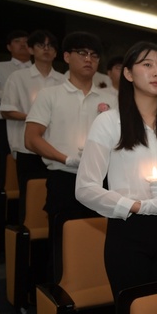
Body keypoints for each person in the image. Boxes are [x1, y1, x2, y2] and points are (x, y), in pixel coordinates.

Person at [76, 41, 157, 300]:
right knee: (131, 313)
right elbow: (85, 188)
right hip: (128, 230)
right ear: (128, 73)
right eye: (147, 65)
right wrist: (138, 206)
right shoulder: (109, 123)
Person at [25, 31, 117, 276]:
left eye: (94, 55)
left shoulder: (111, 98)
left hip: (103, 180)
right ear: (66, 56)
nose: (89, 59)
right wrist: (66, 158)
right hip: (64, 178)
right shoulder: (50, 95)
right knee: (63, 245)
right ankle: (58, 298)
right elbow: (31, 138)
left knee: (101, 246)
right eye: (82, 53)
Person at [0, 30, 65, 224]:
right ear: (31, 49)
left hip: (55, 149)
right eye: (41, 45)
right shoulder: (18, 77)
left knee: (53, 199)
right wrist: (37, 118)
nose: (46, 50)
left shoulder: (63, 81)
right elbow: (6, 110)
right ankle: (24, 242)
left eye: (51, 46)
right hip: (27, 148)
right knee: (29, 202)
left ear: (56, 53)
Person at [0, 30, 31, 190]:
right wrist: (15, 96)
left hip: (33, 125)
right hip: (4, 124)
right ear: (9, 47)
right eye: (18, 41)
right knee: (2, 170)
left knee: (29, 173)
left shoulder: (40, 73)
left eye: (26, 41)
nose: (23, 44)